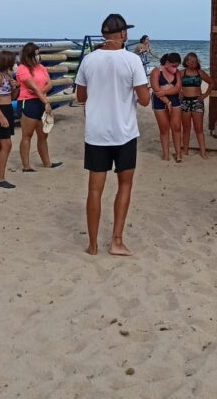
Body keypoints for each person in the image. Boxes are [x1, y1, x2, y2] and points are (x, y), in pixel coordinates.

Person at [75, 13, 151, 256]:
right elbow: (145, 99)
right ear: (123, 34)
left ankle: (93, 244)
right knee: (125, 184)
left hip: (96, 132)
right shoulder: (132, 60)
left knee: (95, 189)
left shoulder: (88, 60)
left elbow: (80, 97)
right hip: (124, 132)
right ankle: (116, 240)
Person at [16, 42, 62, 171]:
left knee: (43, 135)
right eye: (36, 54)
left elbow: (49, 84)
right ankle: (26, 166)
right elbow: (32, 87)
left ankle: (47, 163)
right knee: (27, 135)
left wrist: (40, 94)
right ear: (29, 54)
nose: (38, 56)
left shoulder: (41, 67)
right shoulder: (22, 69)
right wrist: (44, 99)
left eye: (39, 54)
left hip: (39, 101)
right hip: (28, 103)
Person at [0, 50, 20, 189]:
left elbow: (12, 97)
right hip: (0, 111)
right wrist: (0, 116)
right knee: (7, 145)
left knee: (0, 145)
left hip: (7, 109)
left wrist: (16, 87)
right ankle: (0, 178)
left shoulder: (8, 75)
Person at [150, 53, 183, 161]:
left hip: (174, 99)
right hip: (159, 101)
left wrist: (164, 91)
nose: (176, 68)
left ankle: (178, 154)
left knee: (176, 127)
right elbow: (155, 89)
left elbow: (177, 88)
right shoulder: (156, 71)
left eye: (177, 66)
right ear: (167, 62)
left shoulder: (177, 72)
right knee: (164, 129)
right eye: (174, 66)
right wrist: (167, 101)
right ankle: (166, 155)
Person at [180, 52, 212, 158]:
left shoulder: (200, 72)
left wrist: (205, 95)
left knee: (199, 128)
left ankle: (203, 152)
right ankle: (185, 151)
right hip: (185, 102)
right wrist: (179, 92)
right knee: (186, 128)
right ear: (186, 62)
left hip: (197, 102)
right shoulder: (181, 73)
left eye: (195, 61)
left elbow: (211, 82)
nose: (193, 63)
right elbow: (174, 84)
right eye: (191, 61)